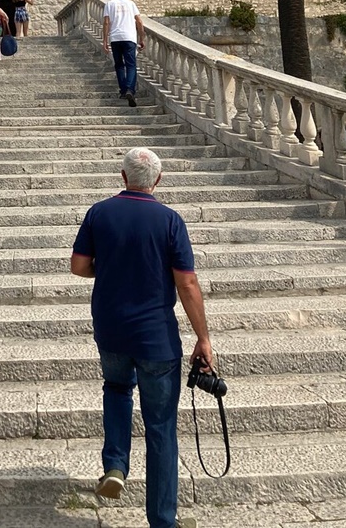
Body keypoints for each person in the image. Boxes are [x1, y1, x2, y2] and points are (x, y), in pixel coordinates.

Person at [71, 147, 209, 528]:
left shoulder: (99, 213)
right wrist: (204, 338)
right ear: (158, 180)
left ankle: (115, 464)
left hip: (111, 329)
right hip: (156, 338)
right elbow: (187, 282)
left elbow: (79, 266)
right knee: (161, 425)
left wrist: (112, 269)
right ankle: (162, 520)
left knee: (116, 389)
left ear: (123, 176)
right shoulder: (169, 220)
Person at [102, 0, 145, 107]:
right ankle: (130, 90)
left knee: (119, 65)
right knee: (131, 65)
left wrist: (105, 40)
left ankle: (122, 91)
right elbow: (139, 21)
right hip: (129, 37)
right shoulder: (131, 4)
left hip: (115, 38)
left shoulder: (109, 4)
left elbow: (106, 23)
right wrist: (142, 37)